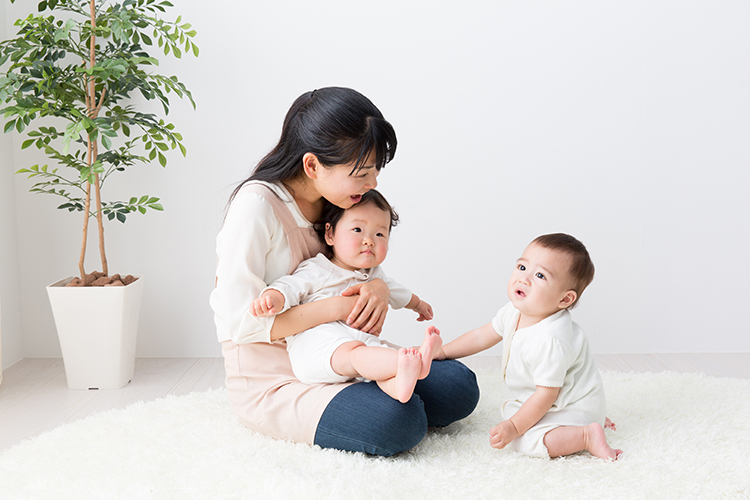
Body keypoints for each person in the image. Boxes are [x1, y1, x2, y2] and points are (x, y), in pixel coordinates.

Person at [210, 87, 479, 457]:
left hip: (342, 348)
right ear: (312, 166)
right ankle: (375, 403)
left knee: (459, 387)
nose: (373, 184)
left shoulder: (333, 198)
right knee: (399, 422)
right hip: (277, 373)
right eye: (362, 173)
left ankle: (375, 392)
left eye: (376, 171)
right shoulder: (256, 208)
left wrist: (380, 290)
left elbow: (355, 264)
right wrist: (337, 308)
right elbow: (239, 324)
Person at [437, 233, 622, 460]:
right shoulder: (515, 311)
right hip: (558, 400)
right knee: (517, 416)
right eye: (522, 267)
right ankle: (592, 418)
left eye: (540, 275)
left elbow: (546, 396)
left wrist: (514, 427)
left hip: (569, 407)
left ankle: (586, 434)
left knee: (524, 440)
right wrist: (443, 351)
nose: (523, 279)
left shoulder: (550, 340)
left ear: (565, 300)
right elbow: (480, 336)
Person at [251, 190, 443, 404]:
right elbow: (290, 286)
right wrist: (273, 297)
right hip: (318, 347)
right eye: (358, 230)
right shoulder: (319, 268)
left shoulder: (376, 276)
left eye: (379, 234)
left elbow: (398, 292)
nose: (369, 241)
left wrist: (418, 305)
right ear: (330, 234)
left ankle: (400, 384)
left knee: (375, 358)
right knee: (358, 353)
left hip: (358, 345)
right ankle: (412, 362)